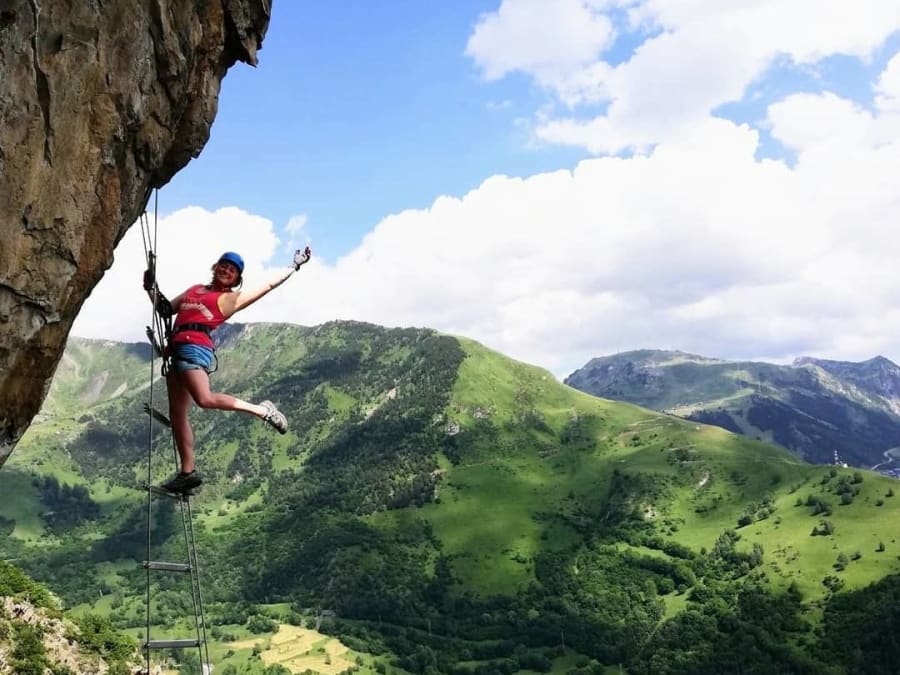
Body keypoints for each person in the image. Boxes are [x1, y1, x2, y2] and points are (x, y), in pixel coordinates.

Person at [143, 247, 312, 493]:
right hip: (177, 350)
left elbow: (266, 286)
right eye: (224, 265)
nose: (226, 271)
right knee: (178, 414)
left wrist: (293, 266)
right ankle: (187, 473)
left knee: (205, 399)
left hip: (193, 348)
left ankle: (262, 411)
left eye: (232, 270)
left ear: (236, 279)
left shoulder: (230, 299)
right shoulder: (195, 290)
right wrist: (150, 288)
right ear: (216, 266)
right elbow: (166, 310)